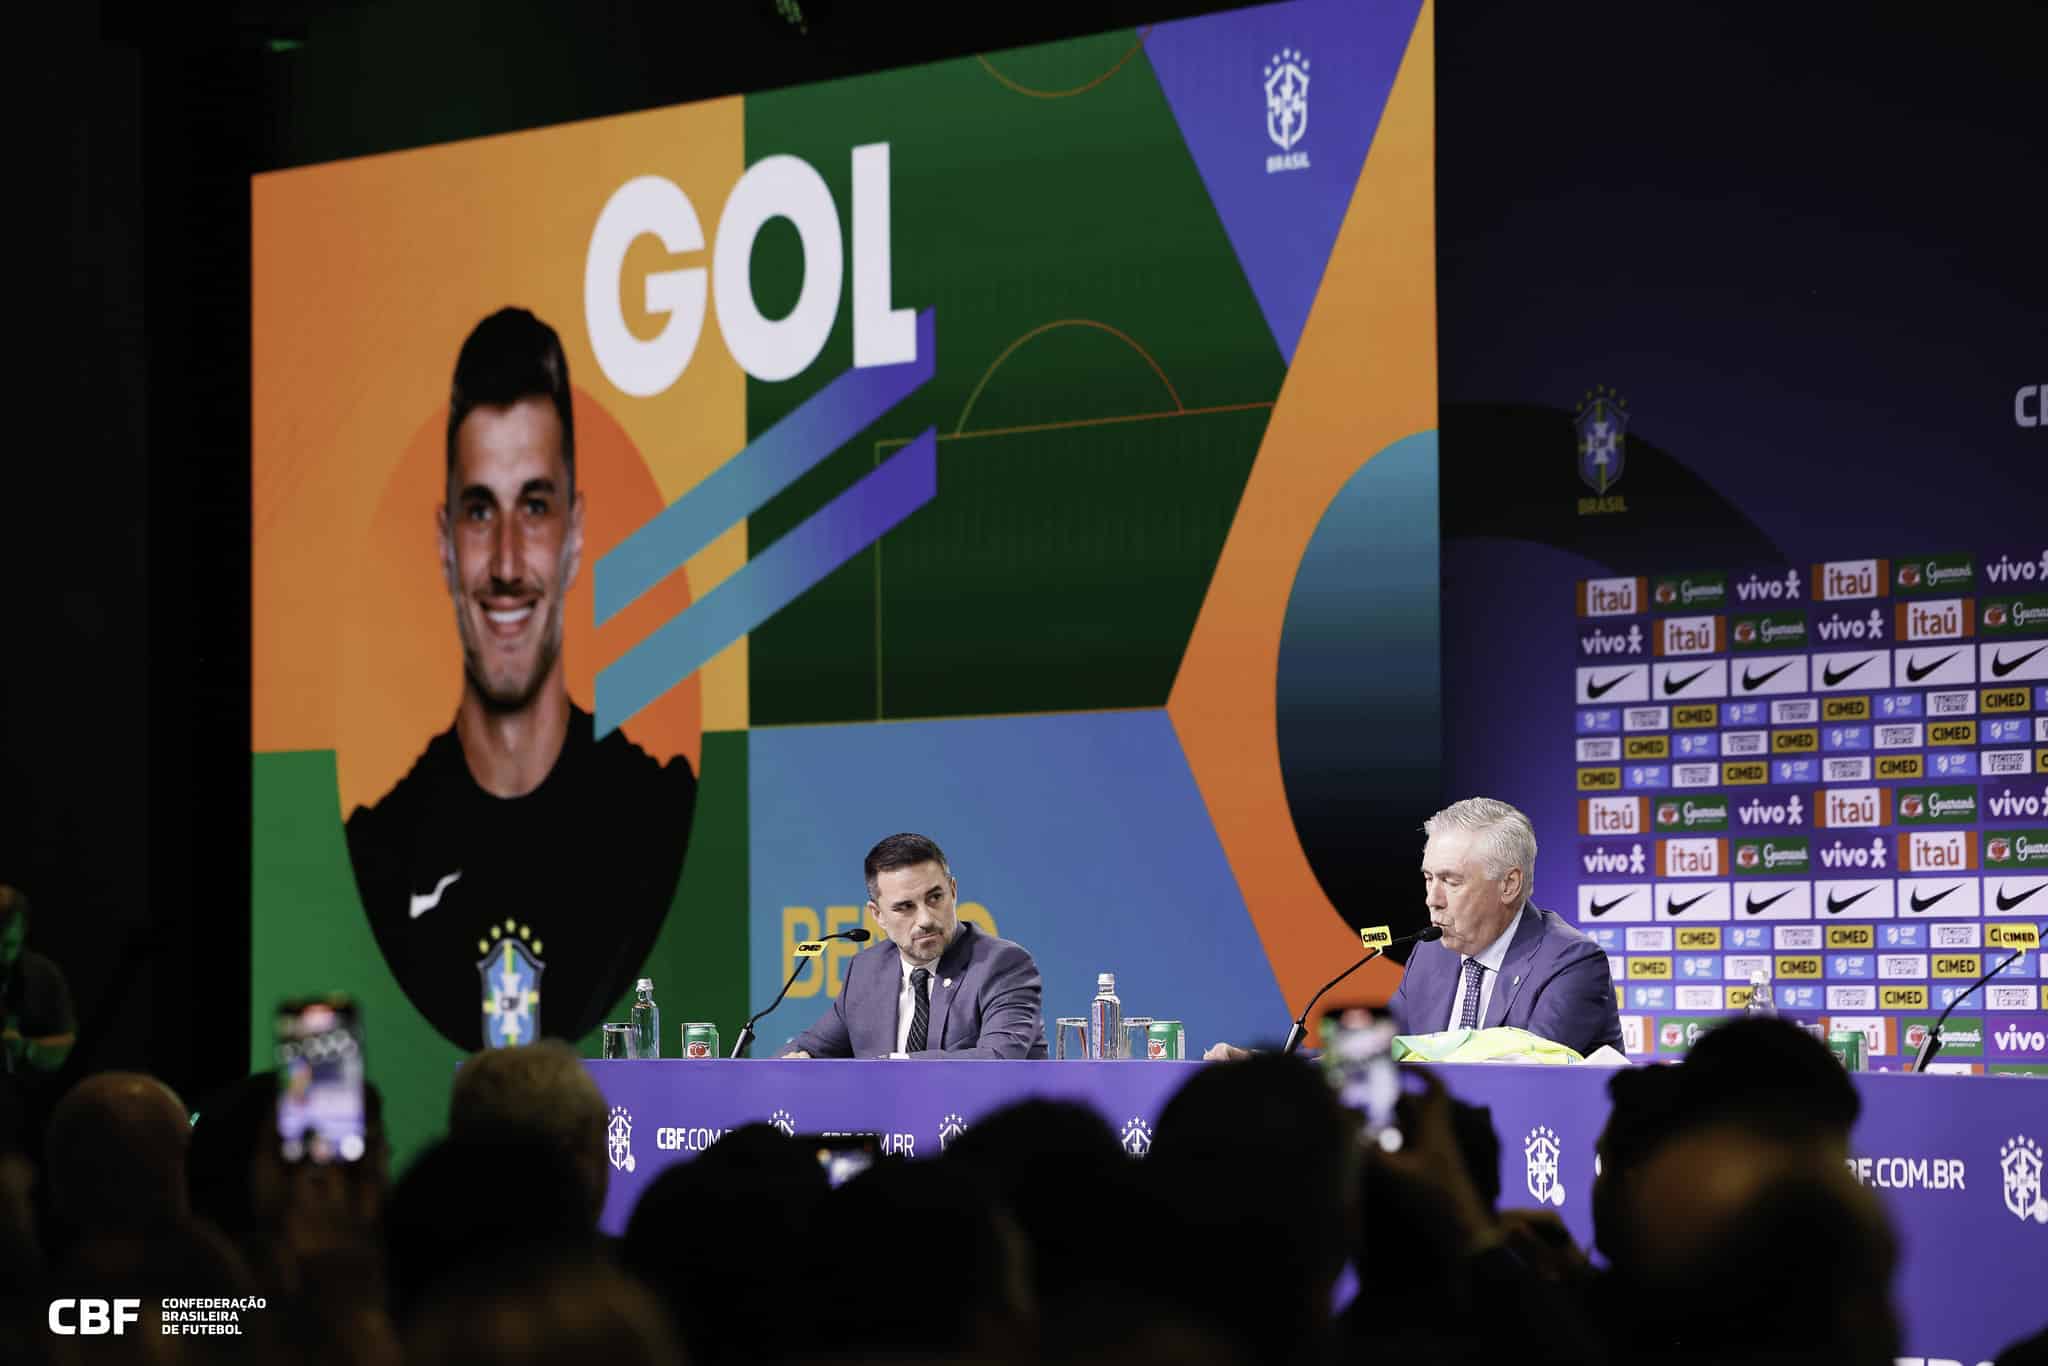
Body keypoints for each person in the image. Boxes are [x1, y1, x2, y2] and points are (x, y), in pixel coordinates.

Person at [344, 308, 697, 1051]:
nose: (505, 563)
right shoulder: (377, 856)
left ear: (574, 535)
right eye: (480, 511)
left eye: (534, 507)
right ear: (444, 545)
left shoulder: (660, 821)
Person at [1204, 797, 1621, 1059]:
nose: (1432, 899)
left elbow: (1529, 1075)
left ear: (1508, 884)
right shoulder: (1431, 956)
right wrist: (1265, 1069)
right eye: (1428, 878)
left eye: (1451, 881)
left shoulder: (1570, 963)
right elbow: (1378, 1054)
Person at [782, 833, 1046, 1058]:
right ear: (878, 915)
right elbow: (809, 1048)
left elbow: (998, 1059)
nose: (926, 920)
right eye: (905, 907)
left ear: (953, 891)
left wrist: (894, 1065)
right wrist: (793, 1061)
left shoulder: (1002, 965)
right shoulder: (867, 971)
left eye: (935, 897)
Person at [0, 885, 76, 1078]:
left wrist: (27, 1049)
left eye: (8, 945)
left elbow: (66, 1045)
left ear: (23, 931)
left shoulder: (44, 974)